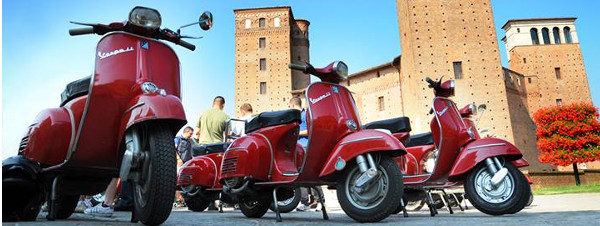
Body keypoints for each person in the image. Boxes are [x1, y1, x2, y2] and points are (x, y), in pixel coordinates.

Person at [288, 97, 324, 212]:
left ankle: (320, 202)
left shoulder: (305, 115)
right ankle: (305, 203)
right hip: (298, 149)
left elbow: (310, 130)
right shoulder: (295, 117)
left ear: (293, 105)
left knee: (311, 175)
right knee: (300, 175)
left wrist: (296, 133)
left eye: (289, 106)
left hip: (305, 147)